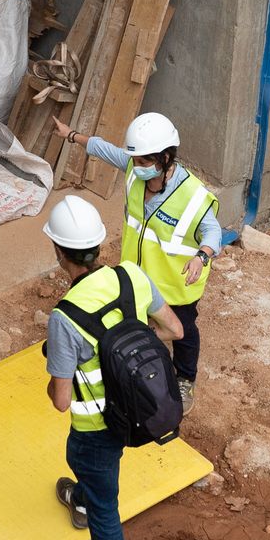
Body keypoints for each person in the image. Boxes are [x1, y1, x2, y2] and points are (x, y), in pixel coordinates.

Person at [42, 195, 183, 540]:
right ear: (100, 245)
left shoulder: (65, 317)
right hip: (135, 412)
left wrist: (62, 363)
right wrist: (123, 350)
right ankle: (82, 501)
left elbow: (61, 401)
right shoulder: (133, 276)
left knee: (106, 507)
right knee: (97, 479)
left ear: (58, 251)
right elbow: (173, 329)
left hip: (95, 430)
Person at [52, 112, 220, 414]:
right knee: (140, 326)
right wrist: (71, 135)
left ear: (166, 157)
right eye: (137, 160)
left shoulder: (193, 196)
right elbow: (106, 149)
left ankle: (185, 378)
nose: (137, 166)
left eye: (145, 162)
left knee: (183, 331)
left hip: (177, 284)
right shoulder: (134, 167)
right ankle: (143, 368)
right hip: (138, 278)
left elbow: (212, 230)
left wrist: (202, 255)